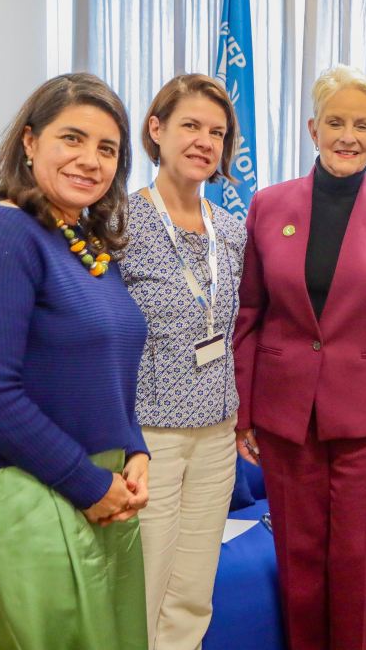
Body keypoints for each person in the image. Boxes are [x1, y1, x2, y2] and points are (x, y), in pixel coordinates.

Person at [0, 73, 150, 650]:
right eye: (71, 138)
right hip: (20, 497)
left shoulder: (86, 246)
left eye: (108, 149)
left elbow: (108, 370)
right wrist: (88, 483)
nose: (90, 160)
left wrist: (134, 449)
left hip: (99, 491)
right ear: (30, 142)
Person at [232, 64, 366, 649]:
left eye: (362, 125)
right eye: (336, 122)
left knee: (357, 562)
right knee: (297, 563)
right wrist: (244, 412)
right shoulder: (268, 205)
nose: (349, 136)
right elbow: (249, 312)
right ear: (312, 129)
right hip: (285, 415)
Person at [121, 74, 247, 650]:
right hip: (149, 437)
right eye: (191, 125)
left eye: (216, 132)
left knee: (194, 590)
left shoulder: (232, 231)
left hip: (217, 433)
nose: (204, 141)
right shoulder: (119, 224)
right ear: (157, 129)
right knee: (143, 586)